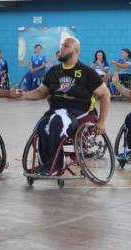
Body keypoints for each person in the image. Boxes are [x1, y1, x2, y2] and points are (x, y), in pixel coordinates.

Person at [23, 37, 111, 176]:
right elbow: (41, 92)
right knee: (43, 124)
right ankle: (46, 165)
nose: (61, 49)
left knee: (57, 122)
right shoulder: (53, 71)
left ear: (75, 51)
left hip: (80, 111)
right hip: (57, 110)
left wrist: (101, 121)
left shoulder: (86, 72)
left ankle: (55, 166)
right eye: (61, 46)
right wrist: (23, 95)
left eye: (66, 46)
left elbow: (105, 95)